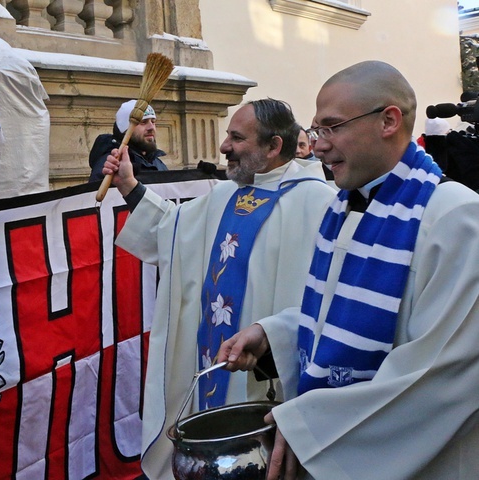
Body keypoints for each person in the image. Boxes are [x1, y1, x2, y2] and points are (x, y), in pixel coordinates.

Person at [219, 61, 479, 480]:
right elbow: (338, 311)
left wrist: (315, 426)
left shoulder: (455, 217)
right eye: (316, 129)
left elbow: (443, 370)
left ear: (388, 121)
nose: (318, 145)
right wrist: (275, 334)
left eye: (332, 127)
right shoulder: (344, 206)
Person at [102, 98, 336, 478]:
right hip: (213, 365)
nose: (224, 146)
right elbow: (173, 228)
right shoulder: (228, 193)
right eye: (227, 135)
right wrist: (130, 185)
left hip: (269, 382)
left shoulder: (319, 203)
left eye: (236, 138)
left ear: (274, 146)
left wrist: (273, 337)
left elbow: (329, 305)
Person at [88, 99, 167, 182]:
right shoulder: (111, 165)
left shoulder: (157, 163)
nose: (151, 127)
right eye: (143, 122)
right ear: (125, 129)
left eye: (153, 121)